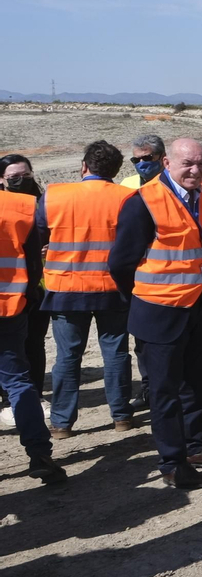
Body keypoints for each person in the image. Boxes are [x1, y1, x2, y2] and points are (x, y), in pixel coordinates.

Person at [108, 137, 202, 489]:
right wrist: (141, 296)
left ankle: (196, 449)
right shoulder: (143, 202)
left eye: (201, 164)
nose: (195, 170)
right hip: (159, 311)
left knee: (197, 386)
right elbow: (120, 263)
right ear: (167, 163)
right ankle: (172, 463)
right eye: (187, 164)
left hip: (200, 305)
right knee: (165, 392)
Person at [30, 142, 136, 437]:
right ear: (116, 170)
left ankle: (62, 423)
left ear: (84, 166)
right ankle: (121, 416)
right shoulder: (127, 197)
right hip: (113, 289)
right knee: (116, 352)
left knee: (67, 356)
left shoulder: (55, 195)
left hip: (66, 289)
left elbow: (36, 238)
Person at [1, 178, 66, 483]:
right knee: (18, 381)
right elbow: (33, 263)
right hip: (9, 307)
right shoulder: (20, 205)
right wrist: (28, 296)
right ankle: (39, 453)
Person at [0, 155, 50, 431]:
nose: (21, 181)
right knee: (11, 355)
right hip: (13, 291)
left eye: (26, 175)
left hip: (38, 287)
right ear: (2, 179)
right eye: (14, 177)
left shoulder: (41, 204)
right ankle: (11, 401)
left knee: (33, 345)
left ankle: (34, 396)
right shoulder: (8, 207)